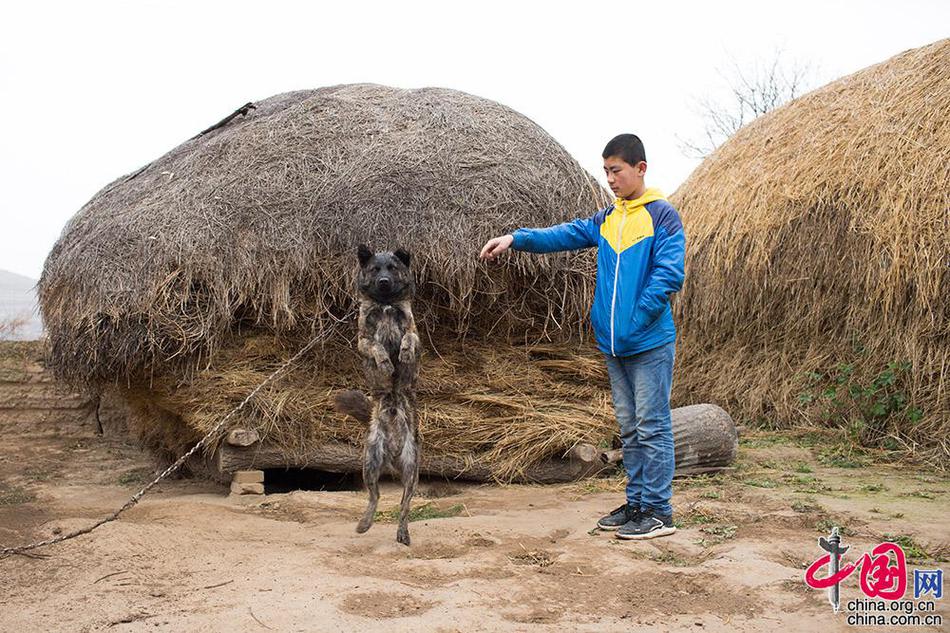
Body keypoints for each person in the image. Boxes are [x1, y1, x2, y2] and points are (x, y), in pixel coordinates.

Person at [478, 133, 685, 539]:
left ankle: (659, 512)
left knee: (652, 425)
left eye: (617, 170)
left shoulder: (662, 216)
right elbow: (564, 234)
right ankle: (638, 503)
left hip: (648, 343)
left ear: (640, 169)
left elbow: (668, 275)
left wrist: (635, 319)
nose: (610, 178)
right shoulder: (608, 219)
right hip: (613, 346)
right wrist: (516, 239)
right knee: (629, 428)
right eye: (606, 171)